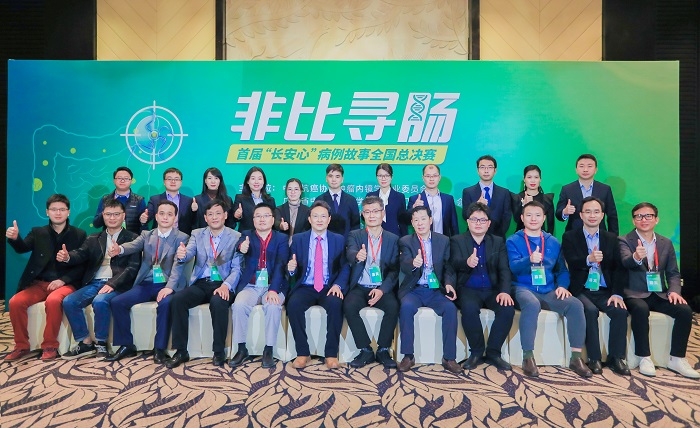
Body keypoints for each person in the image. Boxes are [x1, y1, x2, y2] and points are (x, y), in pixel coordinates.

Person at [506, 201, 592, 378]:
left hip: (548, 290)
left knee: (575, 305)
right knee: (531, 304)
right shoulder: (513, 240)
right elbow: (512, 268)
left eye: (538, 215)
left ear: (544, 218)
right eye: (529, 215)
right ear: (522, 218)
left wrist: (562, 286)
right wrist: (529, 259)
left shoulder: (552, 241)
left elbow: (562, 270)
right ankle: (528, 357)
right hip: (522, 287)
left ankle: (576, 358)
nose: (533, 219)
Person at [618, 202, 699, 378]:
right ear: (633, 220)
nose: (644, 219)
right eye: (639, 216)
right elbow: (624, 262)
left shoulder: (666, 243)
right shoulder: (624, 240)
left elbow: (673, 273)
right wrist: (636, 257)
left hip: (659, 293)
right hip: (634, 293)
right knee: (640, 309)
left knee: (684, 310)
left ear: (656, 219)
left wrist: (674, 291)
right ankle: (644, 357)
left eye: (648, 216)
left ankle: (677, 358)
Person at [4, 194, 87, 361]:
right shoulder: (38, 232)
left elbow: (83, 265)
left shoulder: (79, 234)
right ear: (47, 212)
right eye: (54, 209)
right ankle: (21, 346)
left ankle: (50, 346)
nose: (58, 213)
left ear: (69, 212)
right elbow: (22, 248)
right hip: (39, 283)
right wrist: (15, 238)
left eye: (62, 209)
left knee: (54, 301)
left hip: (66, 283)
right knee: (15, 302)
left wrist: (63, 280)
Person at [105, 200, 189, 363]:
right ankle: (126, 345)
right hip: (147, 283)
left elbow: (178, 267)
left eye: (169, 214)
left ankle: (159, 349)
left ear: (175, 218)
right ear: (156, 216)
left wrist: (169, 288)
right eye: (162, 213)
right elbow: (132, 246)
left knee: (166, 304)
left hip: (168, 284)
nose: (165, 217)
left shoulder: (182, 238)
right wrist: (119, 249)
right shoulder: (147, 235)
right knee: (117, 302)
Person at [57, 199, 140, 359]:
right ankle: (85, 342)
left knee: (100, 301)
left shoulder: (132, 238)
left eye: (116, 214)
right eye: (108, 214)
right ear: (103, 215)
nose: (112, 218)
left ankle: (101, 343)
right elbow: (80, 254)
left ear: (123, 216)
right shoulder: (94, 238)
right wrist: (67, 257)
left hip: (118, 284)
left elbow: (133, 267)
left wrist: (113, 283)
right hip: (95, 283)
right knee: (69, 301)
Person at [165, 199, 243, 368]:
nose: (214, 217)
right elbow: (188, 253)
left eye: (218, 213)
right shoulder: (197, 233)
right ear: (205, 218)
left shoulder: (236, 236)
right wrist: (182, 254)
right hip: (201, 283)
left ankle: (219, 351)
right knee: (178, 300)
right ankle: (181, 351)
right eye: (210, 214)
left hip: (222, 283)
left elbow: (237, 268)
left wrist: (226, 286)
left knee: (218, 303)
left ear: (225, 215)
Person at [562, 196, 630, 376]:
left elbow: (619, 268)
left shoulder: (611, 238)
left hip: (605, 290)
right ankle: (594, 358)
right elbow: (571, 261)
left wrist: (617, 294)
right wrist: (588, 259)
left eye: (596, 212)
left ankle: (616, 358)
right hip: (581, 289)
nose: (592, 215)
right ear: (581, 215)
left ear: (602, 215)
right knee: (590, 311)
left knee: (620, 311)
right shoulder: (570, 236)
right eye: (588, 212)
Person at [397, 206, 461, 374]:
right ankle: (408, 356)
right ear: (412, 223)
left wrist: (449, 283)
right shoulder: (405, 241)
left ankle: (449, 358)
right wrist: (413, 263)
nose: (420, 223)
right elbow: (404, 264)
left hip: (435, 290)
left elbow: (448, 267)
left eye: (423, 219)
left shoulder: (443, 240)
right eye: (416, 220)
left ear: (430, 220)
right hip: (414, 289)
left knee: (450, 308)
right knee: (406, 307)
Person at [450, 202, 514, 371]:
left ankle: (493, 352)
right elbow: (453, 263)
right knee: (469, 309)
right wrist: (467, 262)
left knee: (507, 309)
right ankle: (477, 352)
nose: (478, 223)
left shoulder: (498, 242)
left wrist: (505, 291)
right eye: (474, 219)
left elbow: (504, 269)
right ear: (468, 221)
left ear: (489, 223)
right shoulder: (457, 240)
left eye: (482, 220)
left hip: (492, 289)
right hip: (468, 288)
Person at [286, 200, 350, 369]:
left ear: (329, 219)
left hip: (329, 286)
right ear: (309, 219)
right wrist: (291, 269)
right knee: (293, 305)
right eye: (315, 216)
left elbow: (345, 266)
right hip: (305, 286)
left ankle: (331, 354)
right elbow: (291, 266)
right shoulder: (298, 239)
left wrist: (338, 285)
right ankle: (302, 353)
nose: (319, 220)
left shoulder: (338, 239)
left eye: (323, 216)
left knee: (336, 304)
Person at [229, 203, 289, 369]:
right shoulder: (246, 234)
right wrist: (242, 247)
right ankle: (241, 349)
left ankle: (268, 349)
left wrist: (273, 290)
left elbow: (281, 265)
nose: (262, 219)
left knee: (273, 306)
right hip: (251, 285)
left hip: (273, 285)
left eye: (266, 216)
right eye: (258, 216)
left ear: (273, 219)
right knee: (239, 305)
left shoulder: (281, 238)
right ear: (253, 220)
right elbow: (239, 246)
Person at [343, 196, 400, 369]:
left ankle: (383, 349)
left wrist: (382, 290)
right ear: (363, 215)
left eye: (375, 211)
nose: (371, 215)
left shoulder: (393, 239)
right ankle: (365, 349)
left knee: (393, 306)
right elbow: (350, 253)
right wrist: (357, 256)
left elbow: (394, 270)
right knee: (349, 305)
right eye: (367, 212)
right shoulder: (355, 235)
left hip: (381, 287)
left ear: (383, 213)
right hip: (360, 286)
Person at [556, 154, 619, 235]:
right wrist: (565, 212)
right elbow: (558, 215)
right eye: (581, 166)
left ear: (595, 170)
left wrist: (614, 238)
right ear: (576, 170)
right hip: (573, 235)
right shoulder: (567, 189)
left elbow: (612, 216)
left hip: (599, 234)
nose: (585, 170)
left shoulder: (605, 189)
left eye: (589, 166)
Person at [461, 155, 512, 238]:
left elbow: (507, 218)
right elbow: (465, 215)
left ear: (495, 171)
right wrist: (477, 205)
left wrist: (497, 238)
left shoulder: (504, 192)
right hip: (474, 236)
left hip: (497, 238)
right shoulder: (468, 192)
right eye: (482, 167)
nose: (486, 171)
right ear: (477, 170)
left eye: (490, 167)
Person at [407, 164, 459, 237]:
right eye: (428, 176)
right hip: (422, 241)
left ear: (439, 177)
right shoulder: (415, 199)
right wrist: (413, 209)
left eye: (435, 176)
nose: (431, 179)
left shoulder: (448, 199)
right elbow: (407, 221)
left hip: (444, 241)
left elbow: (454, 225)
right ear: (423, 178)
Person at [93, 166, 146, 235]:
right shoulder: (105, 199)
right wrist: (106, 212)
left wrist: (143, 221)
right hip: (109, 238)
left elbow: (144, 226)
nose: (122, 181)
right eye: (119, 178)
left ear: (131, 181)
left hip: (132, 239)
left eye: (126, 178)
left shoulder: (139, 200)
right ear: (114, 181)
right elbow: (96, 224)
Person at [142, 167, 194, 235]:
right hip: (159, 237)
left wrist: (195, 211)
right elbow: (148, 216)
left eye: (176, 179)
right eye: (169, 179)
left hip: (182, 237)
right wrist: (144, 218)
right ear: (164, 182)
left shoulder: (189, 201)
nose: (173, 181)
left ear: (181, 182)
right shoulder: (155, 199)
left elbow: (194, 222)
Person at [315, 163, 360, 239]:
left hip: (347, 243)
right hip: (325, 242)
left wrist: (352, 243)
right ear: (326, 178)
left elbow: (356, 226)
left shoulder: (351, 200)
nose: (334, 180)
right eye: (330, 176)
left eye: (337, 176)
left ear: (342, 179)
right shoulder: (320, 200)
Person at [366, 163, 408, 237]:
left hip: (395, 237)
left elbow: (403, 222)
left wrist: (404, 240)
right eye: (380, 176)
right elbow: (366, 219)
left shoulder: (399, 197)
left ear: (391, 177)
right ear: (376, 177)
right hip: (374, 237)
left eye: (387, 175)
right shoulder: (370, 196)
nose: (383, 178)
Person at [232, 166, 277, 232]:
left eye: (259, 179)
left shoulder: (270, 200)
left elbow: (274, 221)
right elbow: (233, 220)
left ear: (264, 181)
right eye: (253, 178)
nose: (256, 182)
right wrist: (237, 216)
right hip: (247, 235)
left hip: (266, 236)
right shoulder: (240, 198)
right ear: (248, 181)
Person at [512, 165, 554, 234]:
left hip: (541, 237)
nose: (533, 180)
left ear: (540, 179)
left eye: (536, 177)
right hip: (521, 236)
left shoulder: (547, 199)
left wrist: (547, 238)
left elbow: (551, 224)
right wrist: (523, 206)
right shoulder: (517, 198)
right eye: (529, 177)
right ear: (524, 179)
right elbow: (517, 220)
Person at [277, 178, 311, 244]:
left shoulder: (308, 211)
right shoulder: (279, 209)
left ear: (301, 191)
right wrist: (280, 225)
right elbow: (276, 222)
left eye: (296, 189)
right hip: (283, 245)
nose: (293, 192)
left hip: (301, 245)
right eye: (290, 189)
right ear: (286, 191)